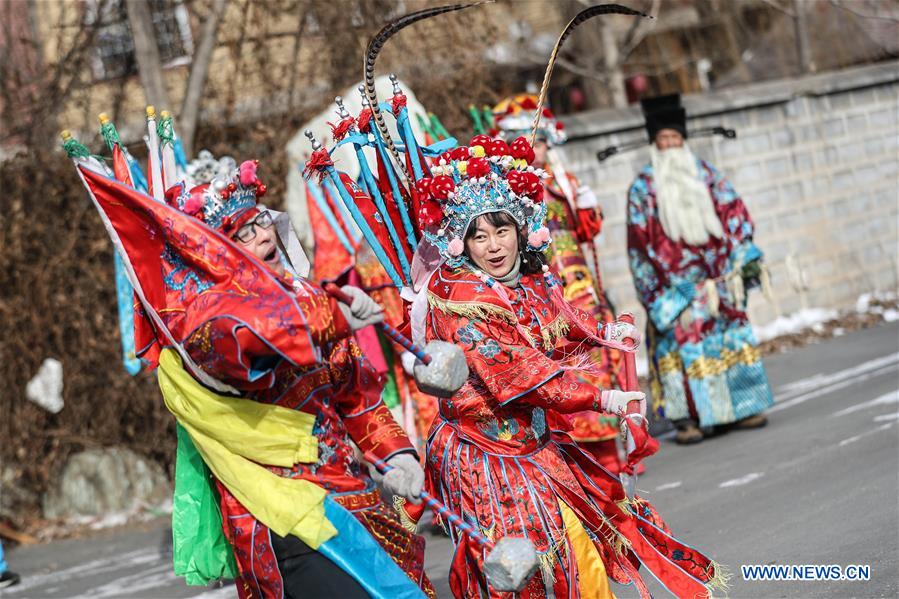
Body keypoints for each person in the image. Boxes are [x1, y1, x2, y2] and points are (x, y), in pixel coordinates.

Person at [66, 131, 435, 599]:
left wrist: (397, 455)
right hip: (277, 508)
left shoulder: (309, 293)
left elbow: (356, 396)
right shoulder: (206, 316)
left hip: (350, 492)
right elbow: (245, 339)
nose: (264, 236)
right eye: (244, 233)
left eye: (262, 223)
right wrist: (330, 318)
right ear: (217, 254)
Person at [414, 135, 726, 598]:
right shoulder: (464, 301)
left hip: (534, 443)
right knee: (532, 570)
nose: (494, 246)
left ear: (522, 230)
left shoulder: (524, 276)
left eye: (503, 231)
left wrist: (603, 333)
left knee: (580, 553)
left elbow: (555, 314)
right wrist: (602, 397)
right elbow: (518, 373)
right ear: (462, 243)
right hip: (488, 454)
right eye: (479, 236)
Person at [627, 94, 774, 444]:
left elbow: (736, 215)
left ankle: (744, 407)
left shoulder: (708, 176)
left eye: (675, 139)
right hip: (676, 289)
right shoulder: (643, 188)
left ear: (684, 140)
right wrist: (657, 293)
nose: (670, 146)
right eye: (663, 140)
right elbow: (639, 245)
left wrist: (742, 261)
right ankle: (687, 419)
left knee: (729, 339)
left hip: (716, 284)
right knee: (678, 349)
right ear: (654, 144)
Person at [492, 94, 625, 467]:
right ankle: (579, 450)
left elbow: (586, 231)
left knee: (598, 358)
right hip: (546, 292)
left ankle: (611, 445)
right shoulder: (512, 190)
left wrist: (586, 206)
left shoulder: (564, 183)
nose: (543, 150)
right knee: (562, 364)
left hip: (581, 284)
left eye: (547, 143)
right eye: (535, 143)